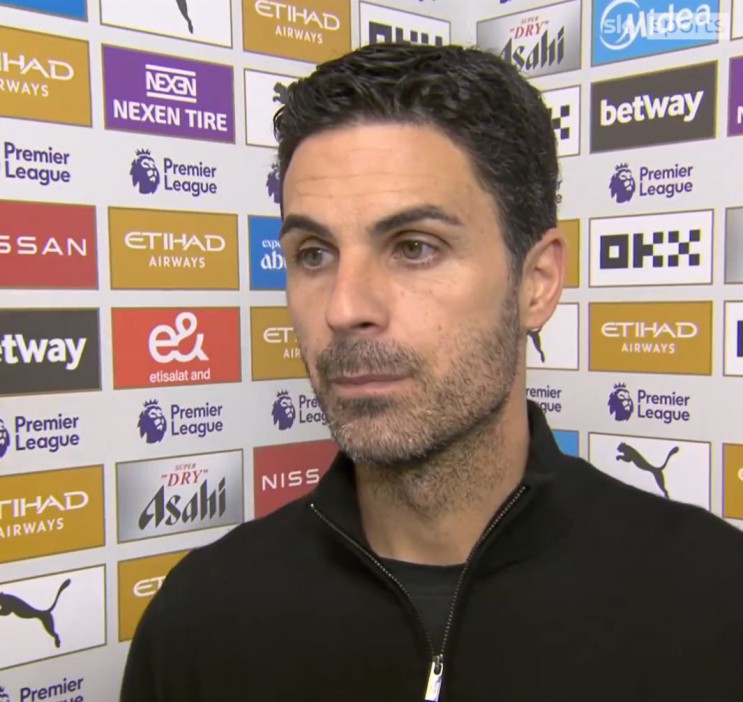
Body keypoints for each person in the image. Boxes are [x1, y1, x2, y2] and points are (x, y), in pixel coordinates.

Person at [120, 43, 743, 701]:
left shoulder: (713, 600)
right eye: (313, 253)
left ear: (536, 282)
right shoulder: (203, 618)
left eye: (414, 247)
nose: (344, 307)